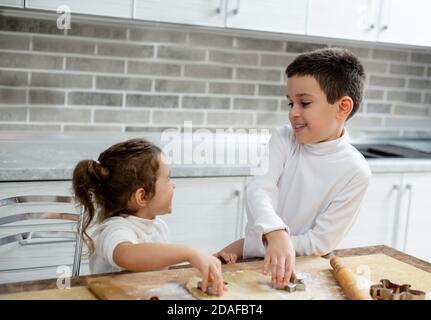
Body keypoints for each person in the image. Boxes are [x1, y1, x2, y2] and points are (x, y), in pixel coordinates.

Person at [216, 48, 372, 289]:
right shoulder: (284, 138)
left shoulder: (355, 171)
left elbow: (320, 242)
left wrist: (252, 245)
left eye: (304, 103)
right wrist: (275, 233)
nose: (292, 113)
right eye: (290, 102)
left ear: (342, 107)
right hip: (253, 260)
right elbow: (260, 188)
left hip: (304, 269)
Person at [72, 138, 224, 296]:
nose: (173, 185)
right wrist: (189, 253)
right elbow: (126, 255)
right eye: (168, 178)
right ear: (142, 196)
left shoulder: (158, 227)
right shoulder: (113, 229)